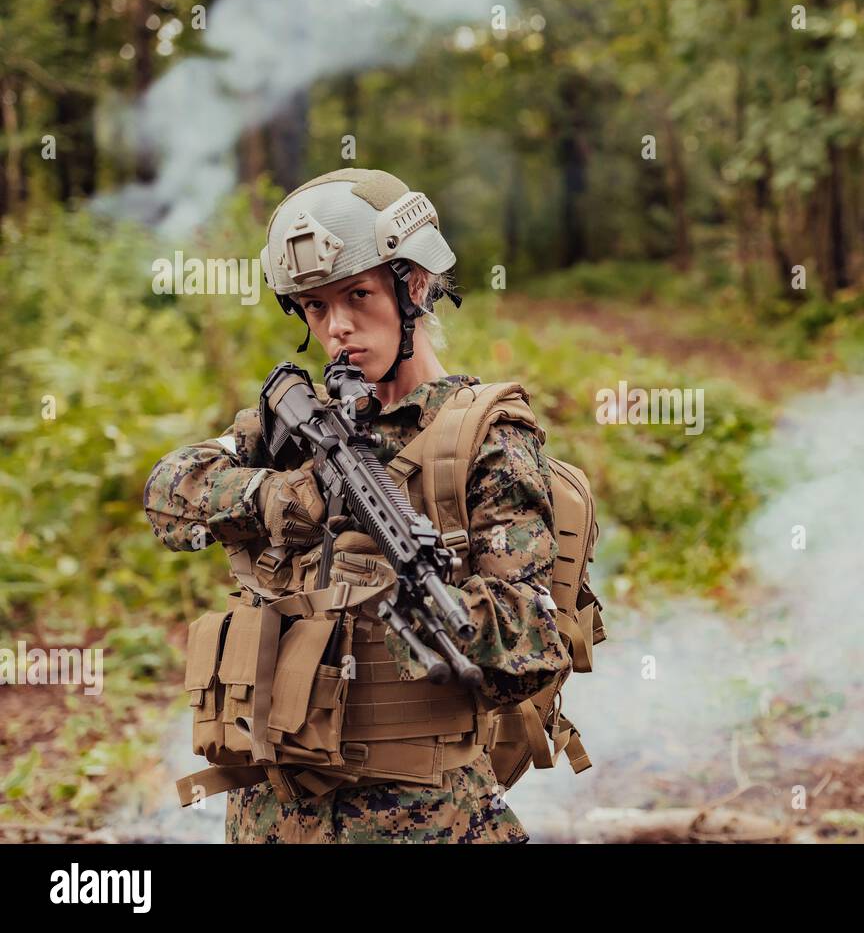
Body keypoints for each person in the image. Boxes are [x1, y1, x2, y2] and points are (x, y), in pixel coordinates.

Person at [143, 167, 570, 842]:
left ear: (415, 284)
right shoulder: (296, 425)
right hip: (273, 818)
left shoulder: (484, 439)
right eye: (315, 306)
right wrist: (276, 496)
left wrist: (426, 613)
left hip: (425, 819)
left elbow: (532, 646)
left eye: (358, 294)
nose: (337, 327)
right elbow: (168, 495)